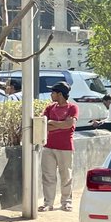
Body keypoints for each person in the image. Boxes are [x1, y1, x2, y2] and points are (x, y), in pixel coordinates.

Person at [40, 81, 78, 212]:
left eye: (53, 92)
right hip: (48, 146)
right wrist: (59, 123)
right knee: (48, 175)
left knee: (66, 176)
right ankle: (48, 202)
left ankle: (66, 202)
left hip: (65, 147)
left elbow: (69, 125)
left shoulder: (72, 108)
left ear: (60, 94)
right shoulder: (49, 108)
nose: (51, 95)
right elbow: (43, 125)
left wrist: (52, 122)